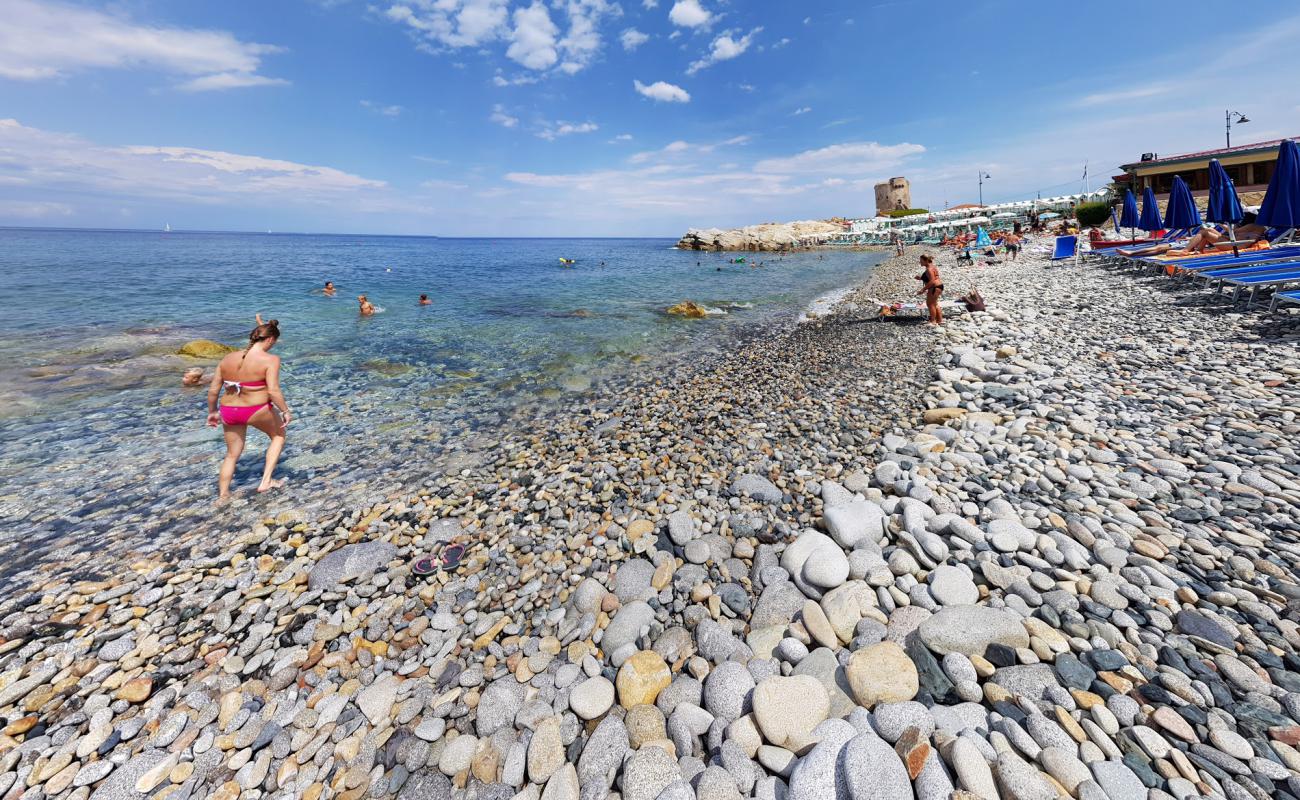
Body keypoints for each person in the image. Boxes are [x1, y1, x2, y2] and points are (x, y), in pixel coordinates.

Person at [205, 317, 291, 499]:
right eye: (273, 343)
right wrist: (285, 411)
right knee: (278, 435)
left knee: (231, 455)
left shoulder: (228, 358)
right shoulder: (271, 359)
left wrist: (212, 412)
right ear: (270, 340)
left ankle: (223, 495)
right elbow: (274, 391)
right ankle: (266, 481)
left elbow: (213, 390)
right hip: (256, 409)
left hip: (228, 410)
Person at [915, 253, 944, 325]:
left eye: (921, 260)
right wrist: (921, 278)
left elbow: (932, 281)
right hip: (939, 286)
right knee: (935, 304)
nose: (920, 262)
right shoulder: (932, 267)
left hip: (934, 287)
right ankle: (939, 320)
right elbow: (933, 277)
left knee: (930, 304)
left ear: (926, 261)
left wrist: (923, 289)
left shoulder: (929, 269)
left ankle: (933, 321)